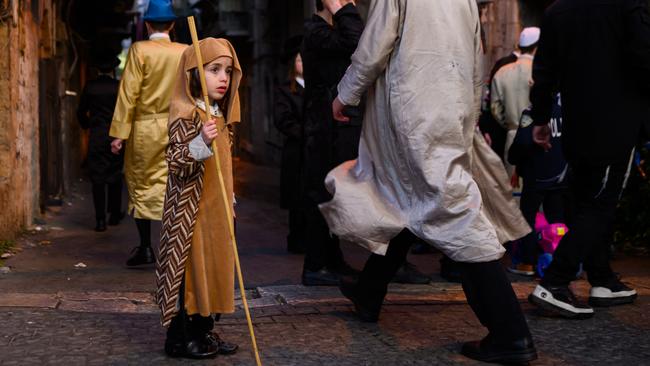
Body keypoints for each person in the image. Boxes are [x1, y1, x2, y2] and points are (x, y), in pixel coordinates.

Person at [323, 0, 535, 363]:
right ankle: (368, 292)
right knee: (404, 199)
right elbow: (475, 57)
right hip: (447, 109)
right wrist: (467, 116)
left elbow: (374, 45)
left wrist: (346, 93)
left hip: (412, 112)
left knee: (452, 213)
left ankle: (510, 333)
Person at [527, 0, 650, 318]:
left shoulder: (558, 9)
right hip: (616, 122)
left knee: (585, 202)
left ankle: (602, 278)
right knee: (600, 203)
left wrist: (540, 117)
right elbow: (644, 59)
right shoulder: (627, 6)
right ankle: (555, 282)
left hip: (576, 124)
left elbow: (545, 68)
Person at [156, 37, 241, 359]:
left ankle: (204, 330)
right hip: (190, 214)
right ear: (193, 73)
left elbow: (224, 164)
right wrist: (200, 140)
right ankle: (180, 338)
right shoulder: (186, 112)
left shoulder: (219, 114)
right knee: (188, 277)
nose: (223, 78)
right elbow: (175, 161)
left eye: (228, 71)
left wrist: (230, 200)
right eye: (214, 70)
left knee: (214, 270)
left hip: (216, 211)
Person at [109, 0, 187, 267]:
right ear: (173, 24)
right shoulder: (185, 51)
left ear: (148, 24)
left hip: (145, 129)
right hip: (179, 127)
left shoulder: (139, 50)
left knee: (142, 187)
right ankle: (173, 248)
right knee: (175, 185)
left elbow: (128, 93)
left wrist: (119, 133)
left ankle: (145, 247)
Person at [300, 0, 364, 286]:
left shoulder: (328, 31)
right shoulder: (315, 30)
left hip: (332, 126)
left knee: (331, 193)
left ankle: (332, 259)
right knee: (320, 196)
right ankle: (315, 265)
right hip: (323, 126)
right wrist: (343, 9)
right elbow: (357, 41)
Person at [507, 94, 568, 276]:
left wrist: (514, 160)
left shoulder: (532, 113)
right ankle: (559, 258)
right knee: (557, 220)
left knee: (527, 219)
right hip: (559, 175)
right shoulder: (564, 111)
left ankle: (528, 262)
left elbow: (523, 142)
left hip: (536, 175)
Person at [77, 56, 124, 232]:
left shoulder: (90, 87)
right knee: (115, 175)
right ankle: (114, 214)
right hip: (116, 136)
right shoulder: (118, 87)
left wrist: (87, 126)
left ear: (97, 70)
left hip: (97, 137)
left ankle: (100, 220)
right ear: (113, 69)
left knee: (97, 178)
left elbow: (81, 112)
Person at [490, 27, 540, 179]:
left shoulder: (502, 72)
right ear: (537, 47)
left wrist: (510, 124)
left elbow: (495, 107)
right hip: (538, 137)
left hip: (512, 137)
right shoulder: (540, 71)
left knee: (513, 190)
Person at [274, 36, 307, 254]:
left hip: (315, 150)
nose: (303, 63)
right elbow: (283, 120)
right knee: (297, 200)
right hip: (297, 151)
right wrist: (306, 133)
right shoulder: (285, 90)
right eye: (299, 60)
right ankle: (296, 240)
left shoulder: (319, 87)